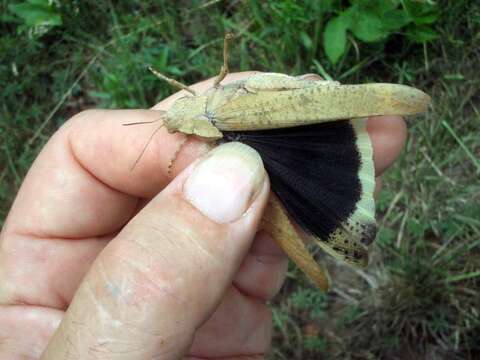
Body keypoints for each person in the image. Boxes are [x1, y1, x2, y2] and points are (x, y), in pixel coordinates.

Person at [0, 72, 407, 359]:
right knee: (276, 198)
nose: (173, 124)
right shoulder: (206, 134)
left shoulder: (213, 121)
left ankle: (370, 105)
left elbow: (225, 77)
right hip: (238, 115)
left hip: (262, 104)